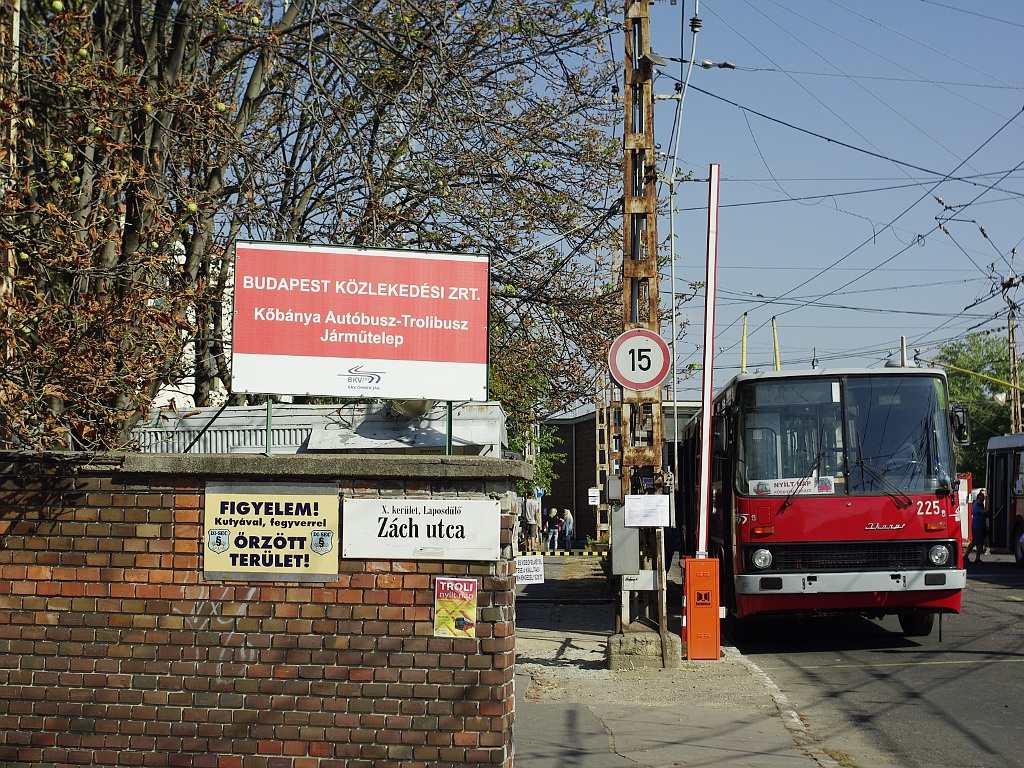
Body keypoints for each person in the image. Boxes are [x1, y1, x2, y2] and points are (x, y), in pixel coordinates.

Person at [964, 490, 987, 564]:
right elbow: (981, 512)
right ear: (977, 499)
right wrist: (989, 509)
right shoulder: (976, 505)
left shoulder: (981, 505)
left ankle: (966, 556)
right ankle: (977, 559)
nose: (981, 501)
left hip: (980, 526)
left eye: (982, 499)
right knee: (978, 543)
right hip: (976, 527)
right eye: (980, 499)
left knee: (975, 542)